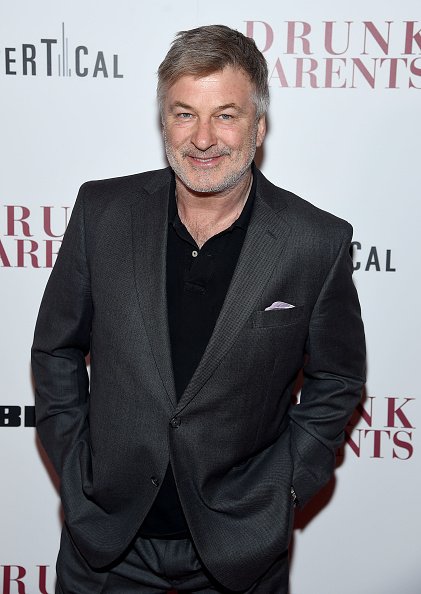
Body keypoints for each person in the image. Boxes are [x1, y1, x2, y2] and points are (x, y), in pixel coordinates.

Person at [31, 24, 366, 594]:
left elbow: (337, 378)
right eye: (185, 113)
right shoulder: (102, 212)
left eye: (226, 115)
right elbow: (56, 348)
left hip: (238, 553)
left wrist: (286, 486)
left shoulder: (315, 242)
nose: (204, 138)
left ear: (259, 126)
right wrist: (77, 468)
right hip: (106, 546)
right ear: (163, 121)